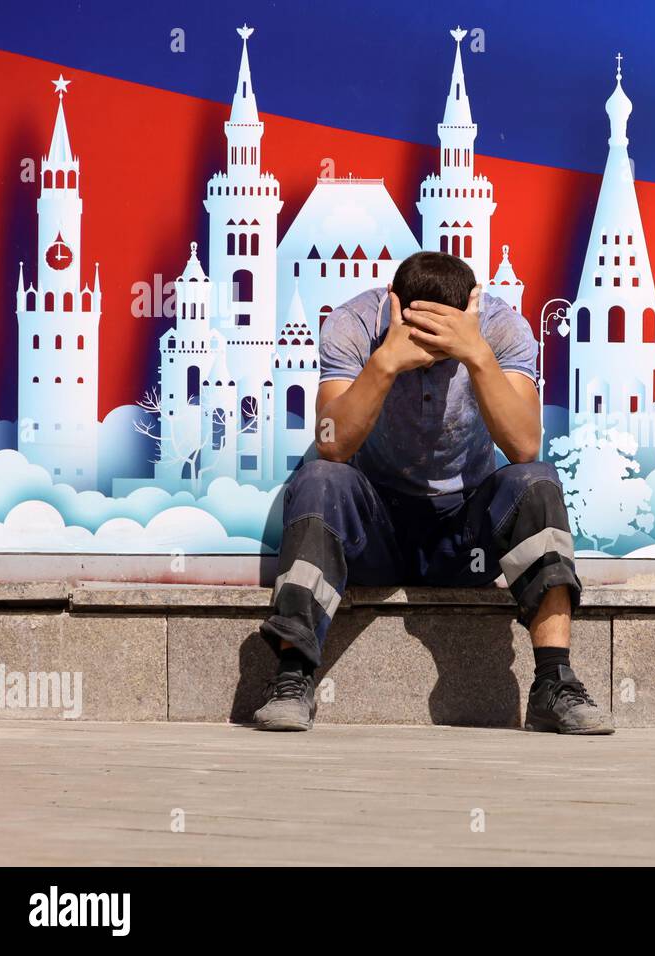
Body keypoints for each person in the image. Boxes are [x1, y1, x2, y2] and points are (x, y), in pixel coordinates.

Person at [252, 251, 613, 735]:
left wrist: (477, 354)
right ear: (396, 304)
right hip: (374, 530)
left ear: (473, 305)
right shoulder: (355, 324)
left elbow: (525, 444)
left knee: (536, 482)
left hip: (464, 537)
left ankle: (554, 681)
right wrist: (384, 363)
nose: (433, 349)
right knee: (320, 478)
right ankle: (292, 677)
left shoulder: (502, 327)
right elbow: (331, 441)